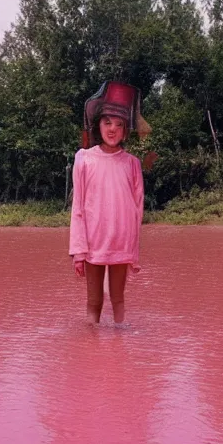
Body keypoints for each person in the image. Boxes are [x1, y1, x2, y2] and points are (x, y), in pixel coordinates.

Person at [69, 81, 149, 325]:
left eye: (119, 124)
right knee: (94, 301)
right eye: (107, 122)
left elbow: (137, 209)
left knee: (118, 299)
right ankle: (91, 350)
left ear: (125, 131)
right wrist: (79, 251)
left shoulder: (133, 163)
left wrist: (133, 253)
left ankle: (119, 348)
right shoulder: (83, 159)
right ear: (98, 125)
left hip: (121, 244)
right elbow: (79, 207)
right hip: (93, 244)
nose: (112, 129)